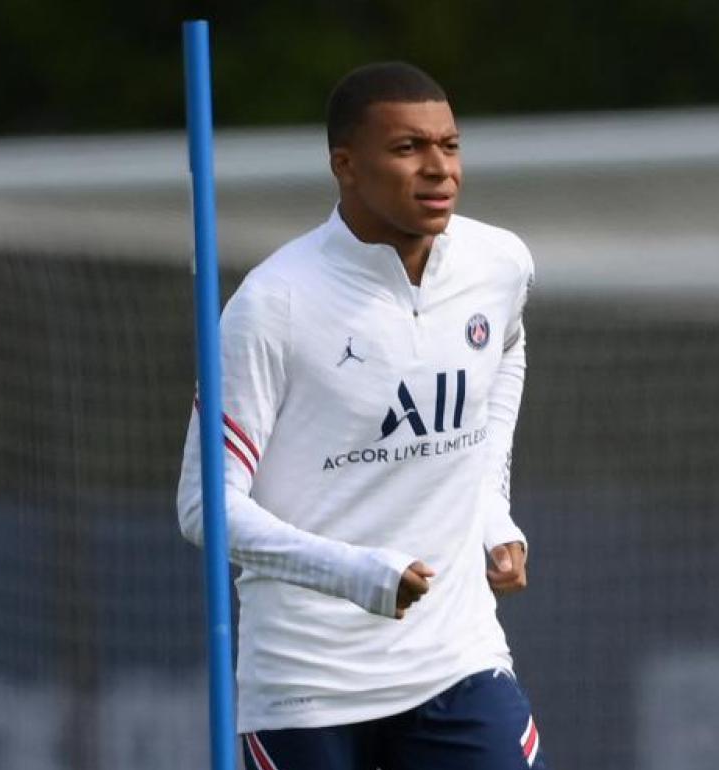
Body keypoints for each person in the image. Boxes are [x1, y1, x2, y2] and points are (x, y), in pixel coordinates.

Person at [177, 61, 546, 769]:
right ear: (345, 165)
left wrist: (491, 511)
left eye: (450, 145)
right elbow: (204, 504)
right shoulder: (274, 303)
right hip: (306, 687)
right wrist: (355, 573)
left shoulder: (499, 263)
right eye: (408, 149)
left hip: (455, 661)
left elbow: (506, 354)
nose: (439, 169)